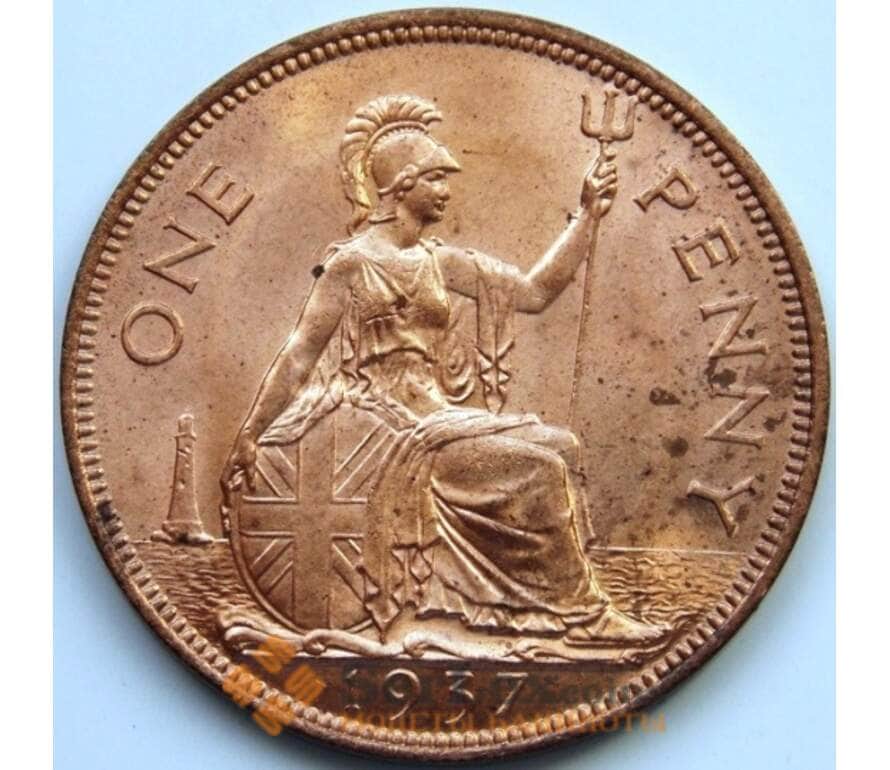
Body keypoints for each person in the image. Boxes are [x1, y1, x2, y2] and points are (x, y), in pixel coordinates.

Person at [221, 94, 669, 648]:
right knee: (540, 469)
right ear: (401, 185)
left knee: (564, 446)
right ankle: (584, 618)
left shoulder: (438, 261)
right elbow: (298, 354)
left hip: (438, 414)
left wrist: (587, 216)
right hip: (389, 426)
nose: (446, 190)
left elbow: (533, 293)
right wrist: (251, 432)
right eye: (435, 178)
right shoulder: (350, 264)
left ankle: (528, 604)